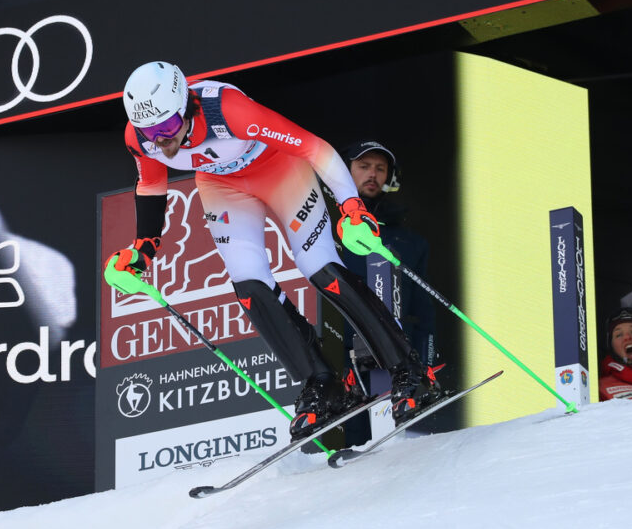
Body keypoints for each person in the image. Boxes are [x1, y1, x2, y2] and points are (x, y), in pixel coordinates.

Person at [103, 61, 442, 439]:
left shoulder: (229, 110)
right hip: (222, 185)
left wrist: (351, 207)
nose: (161, 141)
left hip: (279, 169)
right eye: (150, 132)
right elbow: (151, 185)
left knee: (319, 266)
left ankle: (409, 371)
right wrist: (143, 248)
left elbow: (317, 149)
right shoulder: (139, 138)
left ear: (186, 106)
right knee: (248, 284)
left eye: (166, 127)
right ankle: (321, 384)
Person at [338, 140, 438, 368]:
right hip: (342, 359)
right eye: (364, 166)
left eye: (380, 168)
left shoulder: (412, 242)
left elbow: (424, 312)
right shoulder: (325, 226)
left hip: (397, 363)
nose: (372, 174)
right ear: (344, 170)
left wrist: (427, 362)